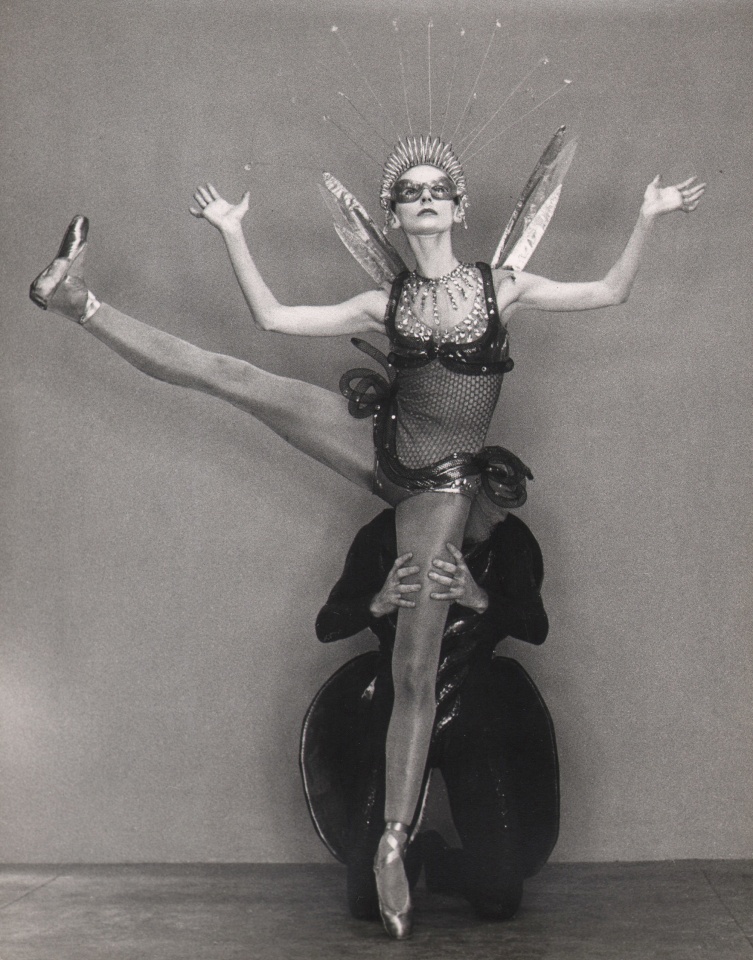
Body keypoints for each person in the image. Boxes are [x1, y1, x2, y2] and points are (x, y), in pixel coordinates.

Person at [28, 136, 704, 937]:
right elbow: (271, 319)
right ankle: (72, 300)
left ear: (456, 207)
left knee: (413, 670)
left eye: (435, 190)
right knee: (235, 376)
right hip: (380, 436)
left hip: (439, 485)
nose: (422, 199)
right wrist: (233, 233)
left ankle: (392, 839)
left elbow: (610, 292)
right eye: (409, 191)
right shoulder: (382, 305)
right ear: (393, 212)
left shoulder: (503, 287)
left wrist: (647, 217)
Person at [304, 493, 558, 925]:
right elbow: (328, 623)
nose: (498, 514)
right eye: (487, 501)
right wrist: (377, 602)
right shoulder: (383, 535)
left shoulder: (510, 539)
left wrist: (481, 599)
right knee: (366, 903)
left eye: (504, 506)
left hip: (470, 711)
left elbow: (536, 627)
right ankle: (405, 854)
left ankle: (440, 862)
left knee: (499, 898)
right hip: (394, 712)